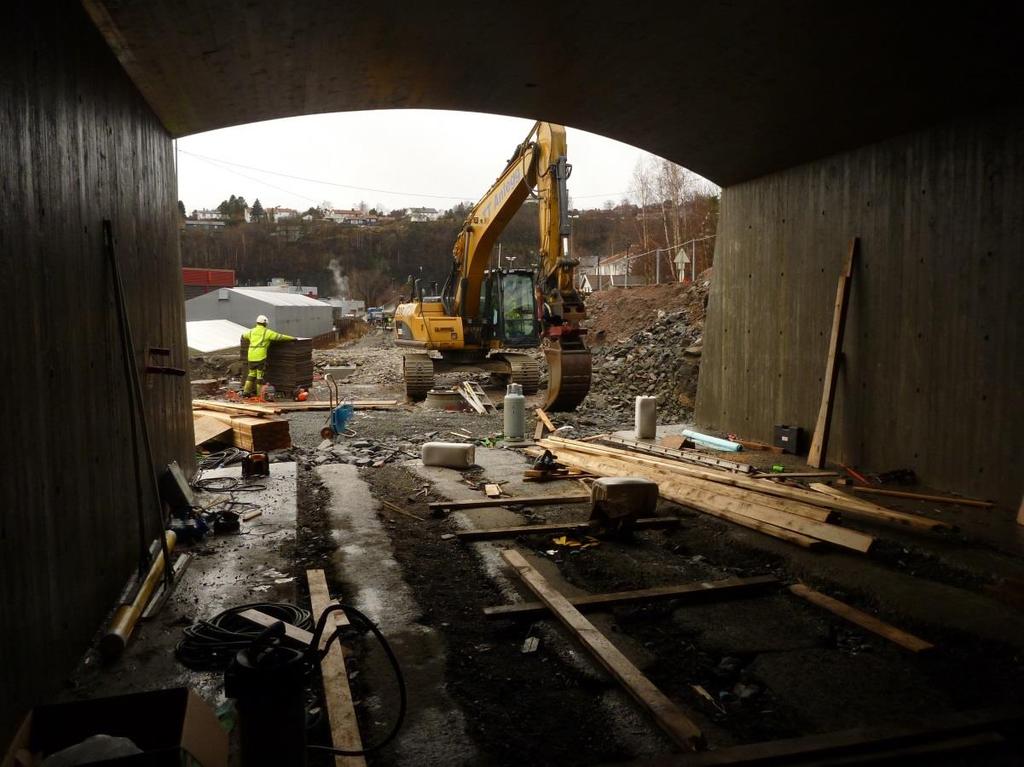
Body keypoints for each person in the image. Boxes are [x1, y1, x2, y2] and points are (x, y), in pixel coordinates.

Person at [242, 314, 296, 397]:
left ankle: (245, 392)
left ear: (257, 322)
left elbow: (243, 335)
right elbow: (280, 337)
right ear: (265, 323)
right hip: (260, 357)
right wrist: (292, 338)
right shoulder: (267, 332)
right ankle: (259, 395)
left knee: (251, 374)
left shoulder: (251, 331)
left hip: (251, 356)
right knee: (259, 376)